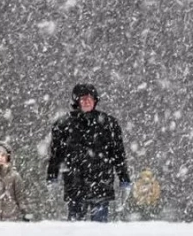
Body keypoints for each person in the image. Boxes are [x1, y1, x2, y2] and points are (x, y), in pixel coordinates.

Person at [46, 83, 131, 222]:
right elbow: (56, 155)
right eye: (83, 98)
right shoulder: (63, 125)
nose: (86, 101)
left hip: (101, 183)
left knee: (99, 228)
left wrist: (124, 178)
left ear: (95, 100)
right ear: (76, 101)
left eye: (90, 98)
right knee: (75, 228)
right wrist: (52, 176)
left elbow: (118, 154)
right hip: (74, 183)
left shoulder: (109, 123)